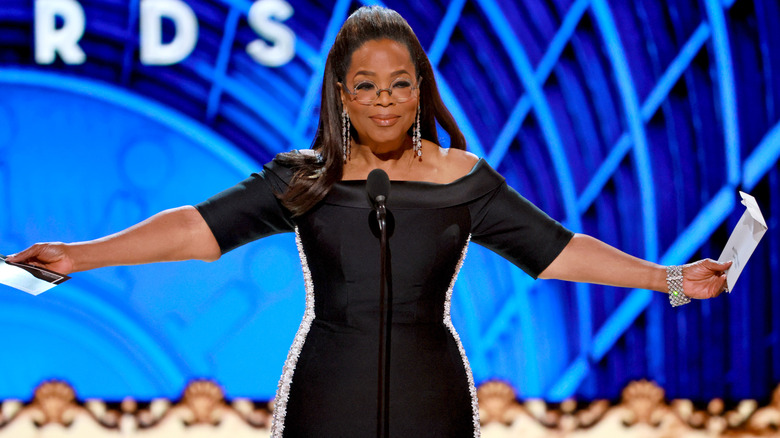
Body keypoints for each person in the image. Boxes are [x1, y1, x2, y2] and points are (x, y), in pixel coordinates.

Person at [8, 6, 730, 437]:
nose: (384, 101)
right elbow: (196, 231)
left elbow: (554, 251)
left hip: (432, 392)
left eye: (399, 84)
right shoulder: (304, 177)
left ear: (420, 88)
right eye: (365, 86)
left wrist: (667, 278)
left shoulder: (464, 178)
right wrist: (80, 254)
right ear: (341, 94)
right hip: (328, 390)